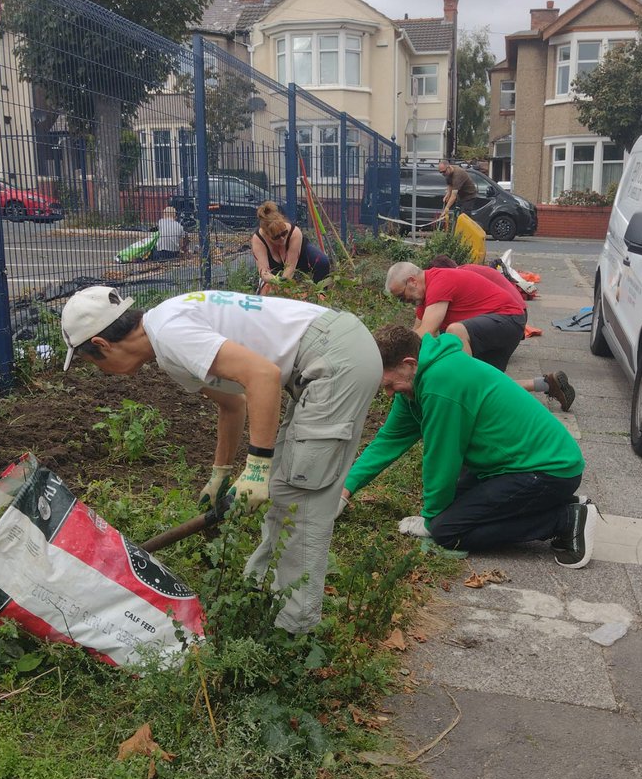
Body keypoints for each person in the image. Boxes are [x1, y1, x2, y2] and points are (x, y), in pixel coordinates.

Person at [60, 284, 381, 634]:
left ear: (102, 345)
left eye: (94, 365)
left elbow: (263, 376)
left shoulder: (170, 332)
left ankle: (293, 632)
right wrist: (221, 474)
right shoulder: (166, 341)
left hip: (335, 358)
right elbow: (233, 404)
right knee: (284, 487)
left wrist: (257, 466)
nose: (102, 374)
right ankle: (262, 591)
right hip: (325, 355)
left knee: (301, 498)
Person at [339, 325, 596, 568]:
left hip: (548, 471)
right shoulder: (414, 384)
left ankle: (564, 521)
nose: (387, 393)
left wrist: (432, 520)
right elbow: (388, 441)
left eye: (388, 384)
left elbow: (443, 457)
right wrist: (344, 490)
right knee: (449, 512)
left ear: (408, 364)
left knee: (448, 531)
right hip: (514, 466)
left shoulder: (441, 382)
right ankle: (558, 504)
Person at [385, 260, 575, 410]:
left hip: (510, 319)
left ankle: (461, 393)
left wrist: (390, 359)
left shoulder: (439, 280)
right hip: (501, 323)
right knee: (485, 386)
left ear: (412, 281)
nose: (405, 302)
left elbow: (425, 333)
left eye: (402, 296)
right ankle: (547, 384)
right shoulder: (424, 299)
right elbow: (414, 338)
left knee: (454, 333)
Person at [251, 201, 330, 293]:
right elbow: (264, 272)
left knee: (322, 262)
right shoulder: (258, 239)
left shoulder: (294, 232)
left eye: (284, 233)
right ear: (267, 235)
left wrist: (284, 283)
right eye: (276, 237)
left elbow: (289, 270)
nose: (282, 238)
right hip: (274, 271)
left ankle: (320, 296)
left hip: (299, 257)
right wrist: (277, 281)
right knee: (267, 289)